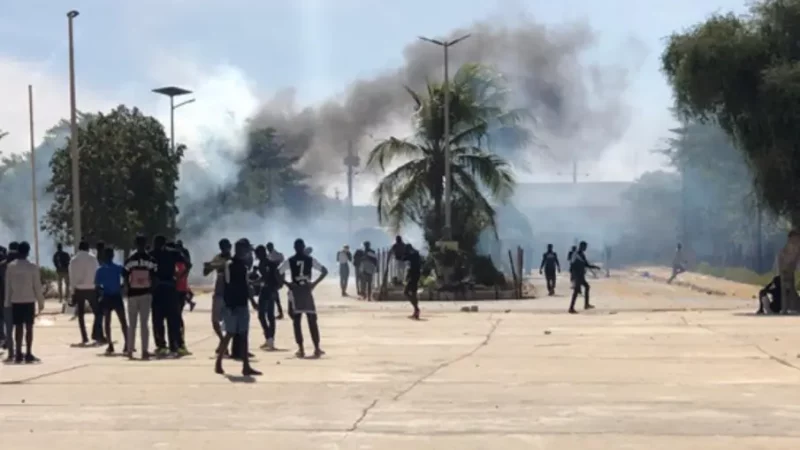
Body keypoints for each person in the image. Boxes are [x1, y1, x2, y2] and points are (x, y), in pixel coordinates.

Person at [214, 238, 262, 376]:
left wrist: (251, 301)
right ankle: (219, 363)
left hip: (240, 303)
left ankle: (245, 366)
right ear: (240, 249)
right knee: (231, 333)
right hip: (234, 304)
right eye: (246, 249)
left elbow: (246, 285)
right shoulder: (231, 265)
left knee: (242, 334)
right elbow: (229, 284)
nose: (247, 252)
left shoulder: (241, 265)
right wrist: (229, 303)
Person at [279, 238, 328, 358]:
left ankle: (301, 349)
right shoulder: (310, 260)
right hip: (306, 290)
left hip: (296, 290)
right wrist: (314, 284)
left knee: (297, 321)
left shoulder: (290, 260)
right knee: (312, 319)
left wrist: (288, 283)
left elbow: (277, 272)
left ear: (294, 248)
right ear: (303, 247)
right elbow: (324, 271)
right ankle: (316, 348)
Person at [4, 241, 45, 363]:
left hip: (16, 300)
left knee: (18, 328)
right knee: (29, 327)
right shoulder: (32, 267)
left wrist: (7, 301)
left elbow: (8, 286)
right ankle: (28, 352)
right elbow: (37, 286)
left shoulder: (11, 267)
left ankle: (17, 354)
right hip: (29, 300)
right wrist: (41, 302)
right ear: (28, 252)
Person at [151, 236, 190, 357]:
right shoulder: (173, 253)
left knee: (159, 319)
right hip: (170, 286)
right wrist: (179, 276)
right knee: (172, 318)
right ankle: (175, 345)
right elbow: (188, 264)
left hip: (158, 288)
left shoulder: (151, 254)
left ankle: (162, 345)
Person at [123, 234, 157, 360]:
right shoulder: (151, 260)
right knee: (144, 323)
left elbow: (125, 275)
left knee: (132, 324)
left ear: (135, 245)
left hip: (132, 294)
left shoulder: (130, 260)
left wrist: (127, 287)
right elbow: (154, 276)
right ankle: (144, 351)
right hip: (146, 294)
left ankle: (130, 351)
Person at [95, 247, 129, 355]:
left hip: (107, 297)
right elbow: (126, 275)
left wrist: (102, 292)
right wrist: (123, 286)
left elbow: (96, 285)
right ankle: (127, 343)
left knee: (107, 322)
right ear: (113, 256)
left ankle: (110, 345)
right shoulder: (118, 268)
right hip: (117, 296)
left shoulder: (100, 270)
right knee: (123, 321)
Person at [70, 240, 103, 345]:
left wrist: (72, 291)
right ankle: (96, 333)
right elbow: (98, 273)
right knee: (98, 312)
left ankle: (84, 337)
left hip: (79, 289)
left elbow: (72, 278)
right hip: (91, 288)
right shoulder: (93, 259)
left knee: (80, 314)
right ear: (88, 248)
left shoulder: (73, 260)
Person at [204, 238, 232, 354]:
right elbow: (205, 272)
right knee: (215, 321)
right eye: (222, 247)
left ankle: (224, 345)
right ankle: (223, 342)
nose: (225, 249)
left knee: (230, 323)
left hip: (229, 295)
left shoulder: (233, 260)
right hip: (219, 293)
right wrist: (210, 266)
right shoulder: (218, 258)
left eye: (226, 247)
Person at [254, 245, 282, 350]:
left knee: (263, 315)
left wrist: (254, 282)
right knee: (269, 316)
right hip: (270, 290)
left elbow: (265, 278)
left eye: (256, 254)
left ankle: (269, 337)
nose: (255, 256)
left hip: (267, 290)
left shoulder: (264, 264)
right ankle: (270, 339)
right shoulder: (269, 263)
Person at [569, 241, 599, 314]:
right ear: (581, 246)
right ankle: (571, 308)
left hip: (581, 275)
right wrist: (573, 275)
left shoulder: (582, 254)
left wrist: (594, 267)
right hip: (577, 275)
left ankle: (586, 304)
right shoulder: (576, 254)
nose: (585, 248)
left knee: (587, 287)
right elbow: (572, 265)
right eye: (585, 247)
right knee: (576, 291)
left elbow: (586, 264)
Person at [1, 242, 18, 359]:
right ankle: (16, 350)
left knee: (8, 324)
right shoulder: (21, 264)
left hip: (4, 299)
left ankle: (10, 347)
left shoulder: (2, 265)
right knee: (19, 326)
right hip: (19, 299)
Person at [266, 242, 285, 319]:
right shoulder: (269, 255)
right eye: (268, 247)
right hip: (272, 277)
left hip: (276, 277)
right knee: (275, 296)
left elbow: (279, 264)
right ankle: (279, 312)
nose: (268, 249)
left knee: (275, 296)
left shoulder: (278, 255)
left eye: (269, 247)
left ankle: (279, 313)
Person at [176, 240, 196, 311]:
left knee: (180, 289)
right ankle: (190, 301)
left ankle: (190, 300)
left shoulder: (183, 252)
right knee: (180, 289)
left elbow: (188, 262)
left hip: (183, 270)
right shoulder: (178, 252)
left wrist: (186, 273)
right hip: (180, 271)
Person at [403, 243, 422, 319]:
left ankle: (416, 308)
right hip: (414, 275)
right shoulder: (415, 253)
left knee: (406, 292)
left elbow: (404, 258)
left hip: (414, 276)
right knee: (413, 293)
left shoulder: (414, 254)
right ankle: (416, 310)